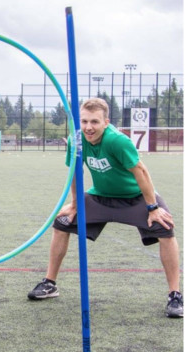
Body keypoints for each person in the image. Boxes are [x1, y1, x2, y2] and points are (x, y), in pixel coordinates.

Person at [28, 98, 183, 318]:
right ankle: (50, 283)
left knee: (165, 228)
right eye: (84, 121)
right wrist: (75, 204)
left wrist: (152, 207)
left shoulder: (117, 141)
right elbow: (75, 172)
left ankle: (175, 295)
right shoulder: (77, 140)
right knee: (62, 222)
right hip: (101, 197)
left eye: (94, 122)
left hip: (135, 197)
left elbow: (141, 172)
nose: (88, 127)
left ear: (106, 122)